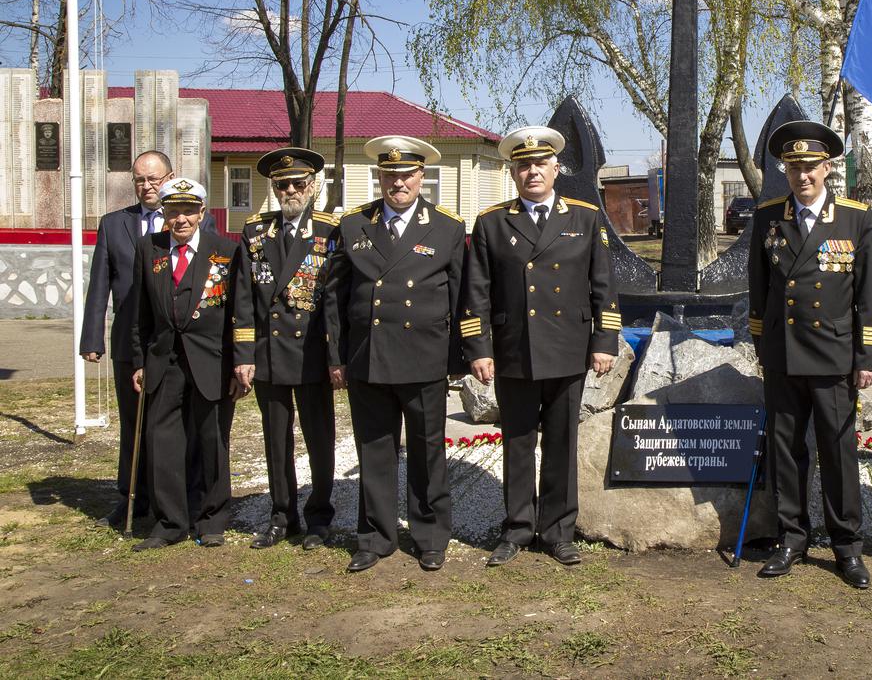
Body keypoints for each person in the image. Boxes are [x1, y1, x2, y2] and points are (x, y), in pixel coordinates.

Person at [463, 126, 622, 568]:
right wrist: (478, 347)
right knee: (516, 442)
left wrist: (604, 340)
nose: (532, 171)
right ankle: (516, 528)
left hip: (568, 348)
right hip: (514, 349)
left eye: (540, 164)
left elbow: (603, 287)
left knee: (560, 442)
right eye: (523, 165)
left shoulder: (586, 217)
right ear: (514, 172)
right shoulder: (492, 222)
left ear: (556, 169)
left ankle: (558, 531)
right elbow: (476, 292)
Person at [747, 120, 872, 589]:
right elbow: (758, 288)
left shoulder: (855, 218)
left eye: (810, 167)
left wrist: (868, 358)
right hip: (784, 354)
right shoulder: (768, 218)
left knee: (838, 450)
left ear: (827, 168)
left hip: (833, 354)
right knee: (786, 451)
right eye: (793, 167)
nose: (802, 176)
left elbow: (869, 295)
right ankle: (792, 537)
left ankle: (847, 546)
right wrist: (762, 345)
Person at [325, 135, 465, 573]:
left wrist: (459, 358)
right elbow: (334, 298)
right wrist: (336, 356)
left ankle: (430, 536)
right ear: (379, 177)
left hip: (424, 358)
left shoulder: (447, 227)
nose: (398, 182)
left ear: (421, 177)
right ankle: (375, 536)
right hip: (369, 356)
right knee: (374, 450)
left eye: (406, 174)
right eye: (390, 174)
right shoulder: (352, 225)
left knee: (427, 451)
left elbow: (462, 298)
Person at [81, 150, 216, 528]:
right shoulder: (114, 225)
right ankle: (132, 497)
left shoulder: (196, 222)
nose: (146, 186)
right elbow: (100, 285)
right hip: (132, 340)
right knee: (133, 424)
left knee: (182, 424)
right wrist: (92, 337)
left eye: (154, 179)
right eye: (140, 179)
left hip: (182, 343)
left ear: (170, 177)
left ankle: (187, 497)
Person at [127, 178, 246, 550]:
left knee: (212, 440)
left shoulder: (226, 251)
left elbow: (240, 312)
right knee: (163, 441)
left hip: (213, 362)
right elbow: (138, 312)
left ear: (201, 213)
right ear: (164, 213)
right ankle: (169, 522)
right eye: (173, 211)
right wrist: (139, 360)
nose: (180, 219)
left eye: (188, 211)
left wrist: (241, 364)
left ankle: (212, 519)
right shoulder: (151, 249)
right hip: (164, 361)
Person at [233, 147, 338, 551]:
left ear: (312, 187)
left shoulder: (330, 231)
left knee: (319, 438)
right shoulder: (256, 232)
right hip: (270, 355)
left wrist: (336, 359)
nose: (290, 190)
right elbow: (243, 301)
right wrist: (243, 356)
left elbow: (334, 304)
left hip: (311, 354)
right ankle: (282, 515)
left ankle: (319, 517)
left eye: (298, 183)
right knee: (276, 438)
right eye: (282, 185)